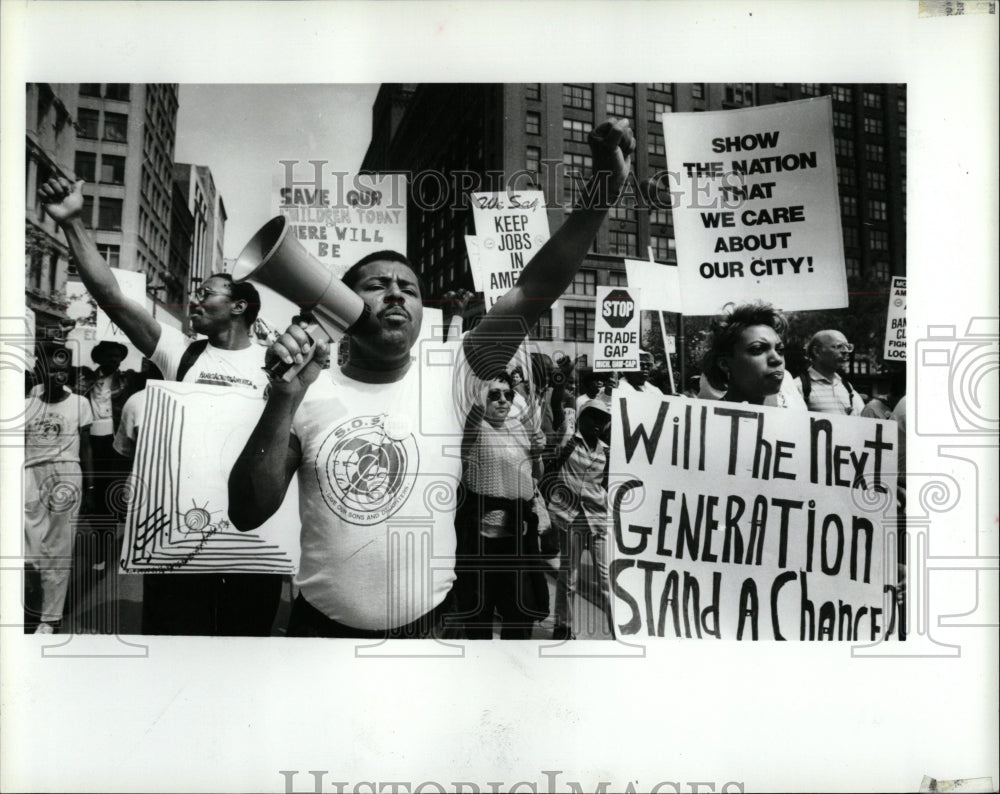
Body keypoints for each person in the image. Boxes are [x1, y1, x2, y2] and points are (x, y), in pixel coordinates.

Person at [228, 118, 635, 638]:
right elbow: (247, 511)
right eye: (377, 285)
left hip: (427, 631)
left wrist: (600, 195)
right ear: (340, 303)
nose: (396, 293)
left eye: (410, 289)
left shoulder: (452, 372)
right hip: (320, 632)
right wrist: (283, 396)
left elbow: (534, 286)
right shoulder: (307, 389)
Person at [38, 177, 280, 636]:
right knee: (173, 654)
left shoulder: (276, 367)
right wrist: (72, 222)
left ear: (239, 306)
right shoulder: (181, 352)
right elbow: (111, 297)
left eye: (206, 293)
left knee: (243, 658)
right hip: (177, 542)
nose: (194, 299)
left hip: (251, 547)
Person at [455, 373, 548, 639]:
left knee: (520, 619)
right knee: (478, 620)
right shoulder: (471, 429)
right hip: (481, 542)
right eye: (494, 395)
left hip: (516, 542)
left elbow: (535, 475)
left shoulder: (520, 428)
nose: (503, 401)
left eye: (508, 394)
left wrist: (538, 454)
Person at [24, 342, 94, 634]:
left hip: (66, 474)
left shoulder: (80, 403)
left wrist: (90, 487)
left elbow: (87, 446)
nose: (57, 375)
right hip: (30, 474)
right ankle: (29, 600)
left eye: (62, 369)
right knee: (27, 549)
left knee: (59, 548)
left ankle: (49, 617)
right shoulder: (26, 403)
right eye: (50, 369)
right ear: (39, 370)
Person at [544, 397, 613, 641]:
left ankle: (620, 628)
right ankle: (562, 627)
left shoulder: (606, 452)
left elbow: (606, 484)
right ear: (581, 419)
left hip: (597, 519)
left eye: (603, 419)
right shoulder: (570, 443)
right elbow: (551, 467)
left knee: (606, 577)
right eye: (593, 417)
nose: (598, 423)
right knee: (569, 576)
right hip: (571, 518)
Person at [78, 340, 141, 572]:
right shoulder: (85, 379)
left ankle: (107, 542)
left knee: (111, 492)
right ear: (100, 357)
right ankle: (101, 540)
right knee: (93, 491)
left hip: (115, 444)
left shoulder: (128, 380)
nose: (115, 360)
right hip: (90, 443)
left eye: (118, 356)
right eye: (110, 355)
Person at [701, 302, 792, 406]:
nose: (777, 359)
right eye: (758, 349)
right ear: (725, 364)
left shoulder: (790, 414)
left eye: (779, 350)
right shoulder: (707, 419)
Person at [795, 329, 865, 415]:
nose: (846, 351)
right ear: (816, 351)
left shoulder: (847, 388)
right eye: (839, 346)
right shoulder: (798, 387)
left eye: (848, 347)